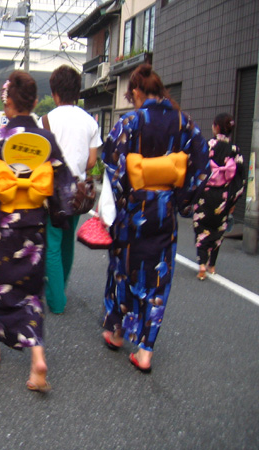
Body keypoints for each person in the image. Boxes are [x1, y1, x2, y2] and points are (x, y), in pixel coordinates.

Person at [101, 64, 209, 372]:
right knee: (157, 276)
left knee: (124, 270)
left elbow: (113, 166)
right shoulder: (184, 123)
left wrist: (125, 198)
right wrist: (180, 200)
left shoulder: (130, 122)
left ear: (137, 91)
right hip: (164, 213)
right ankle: (145, 350)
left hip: (132, 212)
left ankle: (117, 332)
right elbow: (203, 167)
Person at [0, 70, 74, 392]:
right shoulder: (46, 140)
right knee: (31, 293)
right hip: (33, 228)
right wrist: (59, 212)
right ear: (32, 102)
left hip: (2, 228)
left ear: (9, 102)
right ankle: (37, 360)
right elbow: (63, 182)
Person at [38, 65, 102, 314]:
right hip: (78, 192)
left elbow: (40, 159)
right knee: (67, 242)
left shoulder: (45, 120)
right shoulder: (89, 121)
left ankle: (56, 300)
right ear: (77, 92)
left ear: (54, 93)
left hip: (53, 191)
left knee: (51, 242)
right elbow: (91, 162)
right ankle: (59, 288)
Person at [193, 113, 245, 280]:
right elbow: (240, 179)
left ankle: (201, 265)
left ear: (215, 126)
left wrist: (192, 193)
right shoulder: (235, 150)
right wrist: (233, 199)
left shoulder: (206, 146)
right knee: (218, 229)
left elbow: (195, 169)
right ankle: (212, 265)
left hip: (205, 194)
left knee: (201, 228)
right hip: (223, 196)